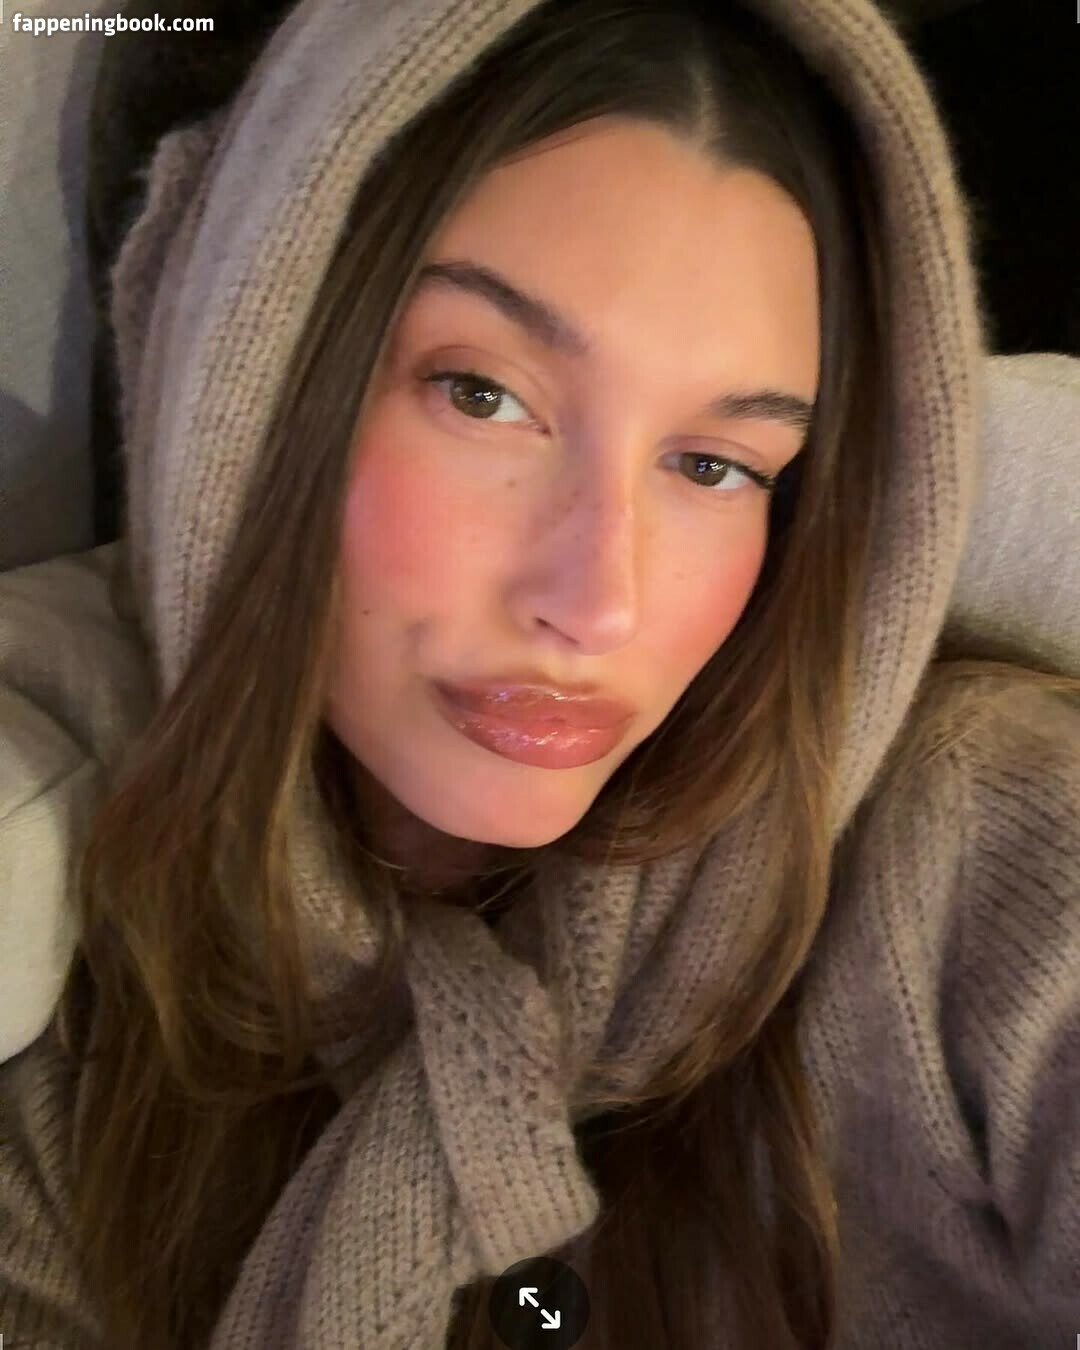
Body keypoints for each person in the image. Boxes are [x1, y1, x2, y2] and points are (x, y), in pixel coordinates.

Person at [0, 0, 1077, 1347]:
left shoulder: (986, 847)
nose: (599, 601)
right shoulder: (86, 1053)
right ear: (249, 387)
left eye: (714, 465)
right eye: (483, 395)